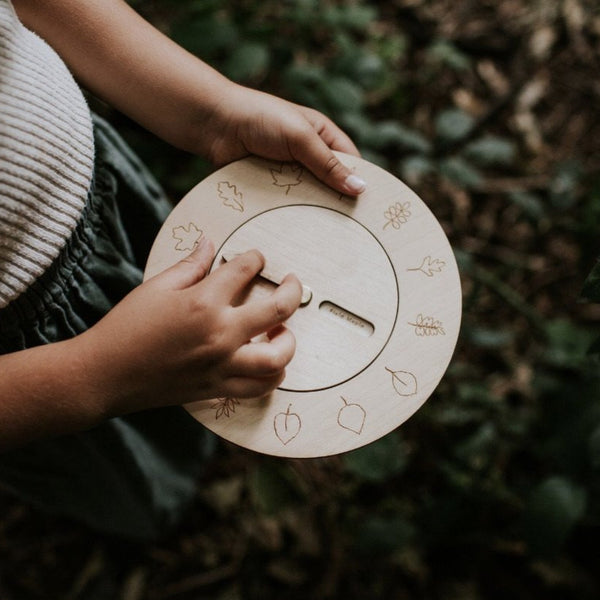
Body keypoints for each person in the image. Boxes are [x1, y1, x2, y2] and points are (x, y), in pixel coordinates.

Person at [0, 0, 366, 539]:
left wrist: (212, 111)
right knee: (118, 469)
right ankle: (159, 513)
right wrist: (96, 377)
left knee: (209, 363)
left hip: (101, 203)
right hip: (35, 368)